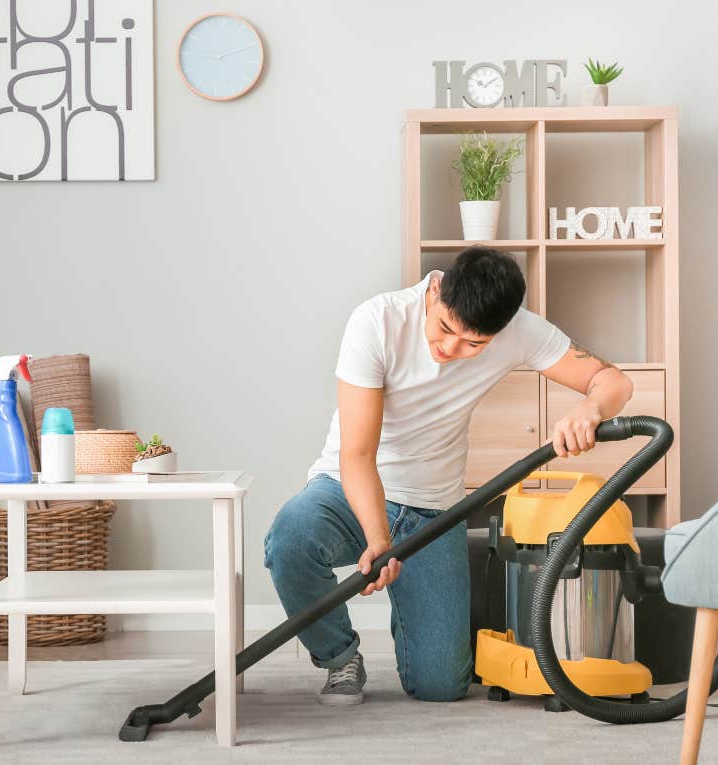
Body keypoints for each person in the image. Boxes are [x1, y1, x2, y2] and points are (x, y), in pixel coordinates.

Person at [263, 246, 634, 705]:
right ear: (435, 289)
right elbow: (357, 454)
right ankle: (340, 659)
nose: (449, 349)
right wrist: (379, 541)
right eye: (443, 328)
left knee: (440, 686)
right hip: (348, 492)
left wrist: (591, 407)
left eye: (473, 344)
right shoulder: (376, 321)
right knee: (290, 539)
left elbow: (614, 380)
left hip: (433, 510)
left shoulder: (519, 331)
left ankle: (444, 590)